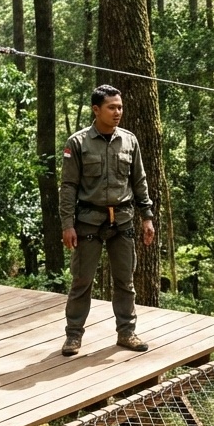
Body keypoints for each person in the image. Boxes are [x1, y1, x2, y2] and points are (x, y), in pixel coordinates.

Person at [59, 85, 157, 356]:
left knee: (125, 281)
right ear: (96, 109)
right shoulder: (77, 143)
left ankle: (126, 332)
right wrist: (67, 224)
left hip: (123, 220)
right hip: (88, 221)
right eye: (112, 107)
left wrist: (147, 217)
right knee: (82, 281)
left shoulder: (129, 141)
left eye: (120, 107)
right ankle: (73, 336)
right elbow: (67, 186)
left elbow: (139, 181)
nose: (117, 112)